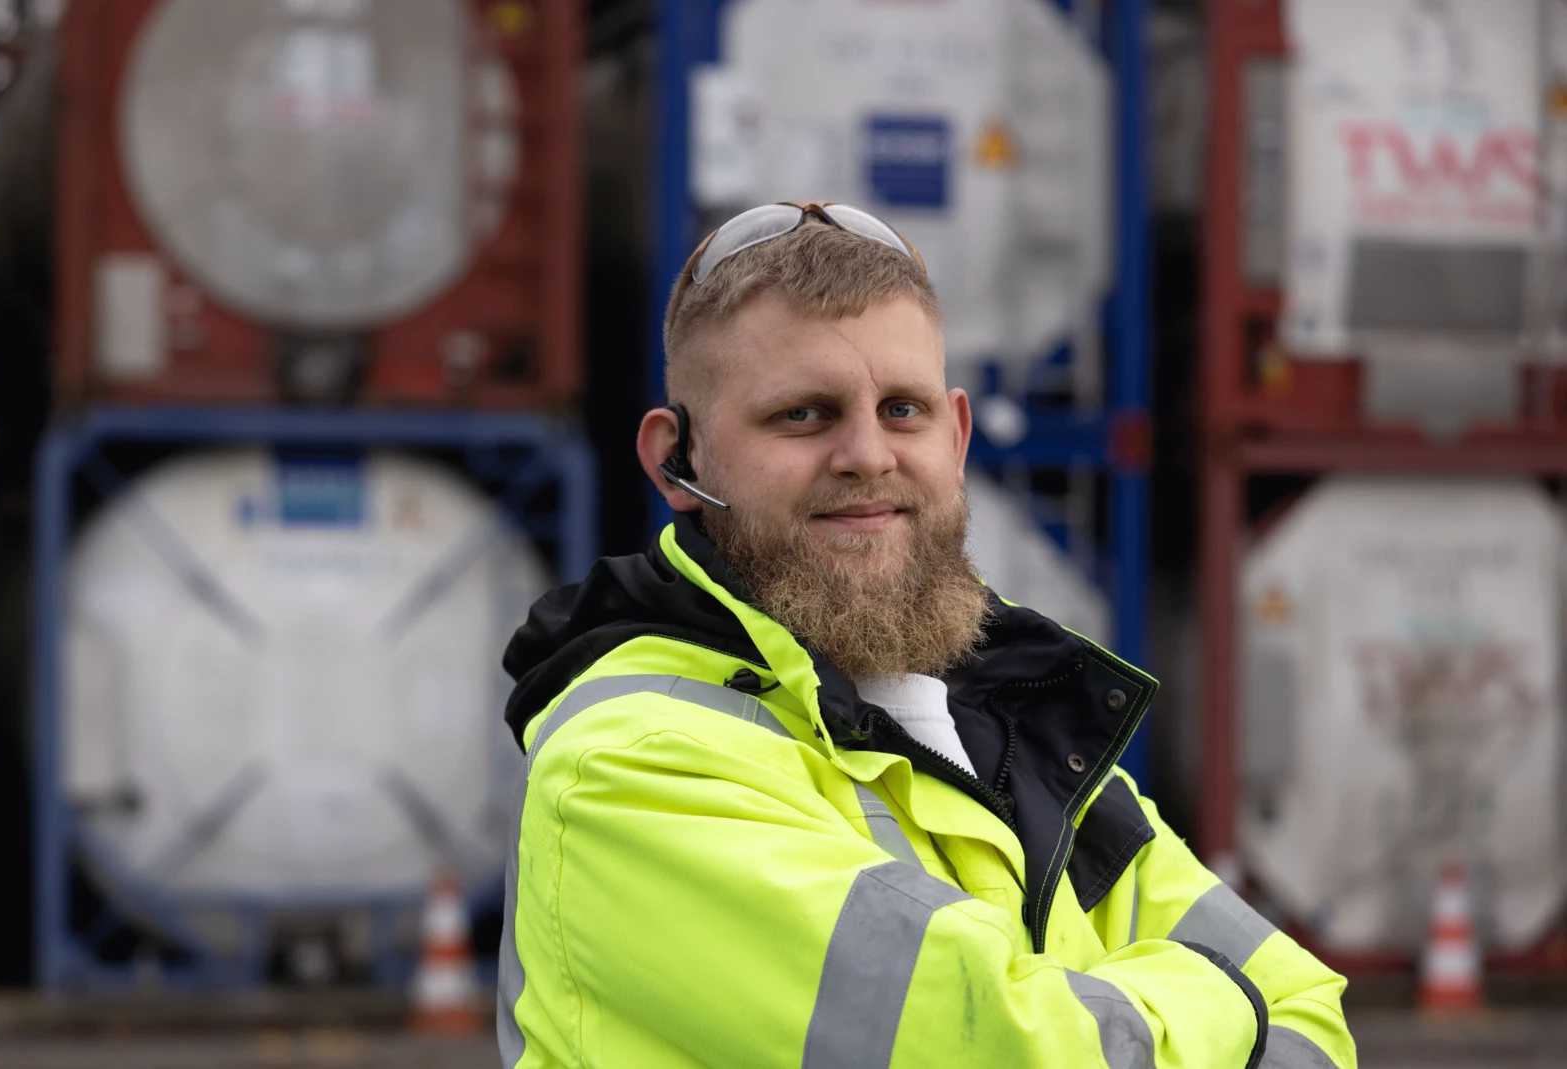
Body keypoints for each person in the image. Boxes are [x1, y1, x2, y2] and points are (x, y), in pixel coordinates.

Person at [496, 202, 1354, 1068]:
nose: (867, 454)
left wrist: (1125, 1014)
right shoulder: (629, 762)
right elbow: (1022, 1054)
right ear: (675, 461)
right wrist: (1223, 1002)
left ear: (959, 435)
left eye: (902, 409)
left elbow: (1314, 1012)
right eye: (803, 414)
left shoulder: (1011, 734)